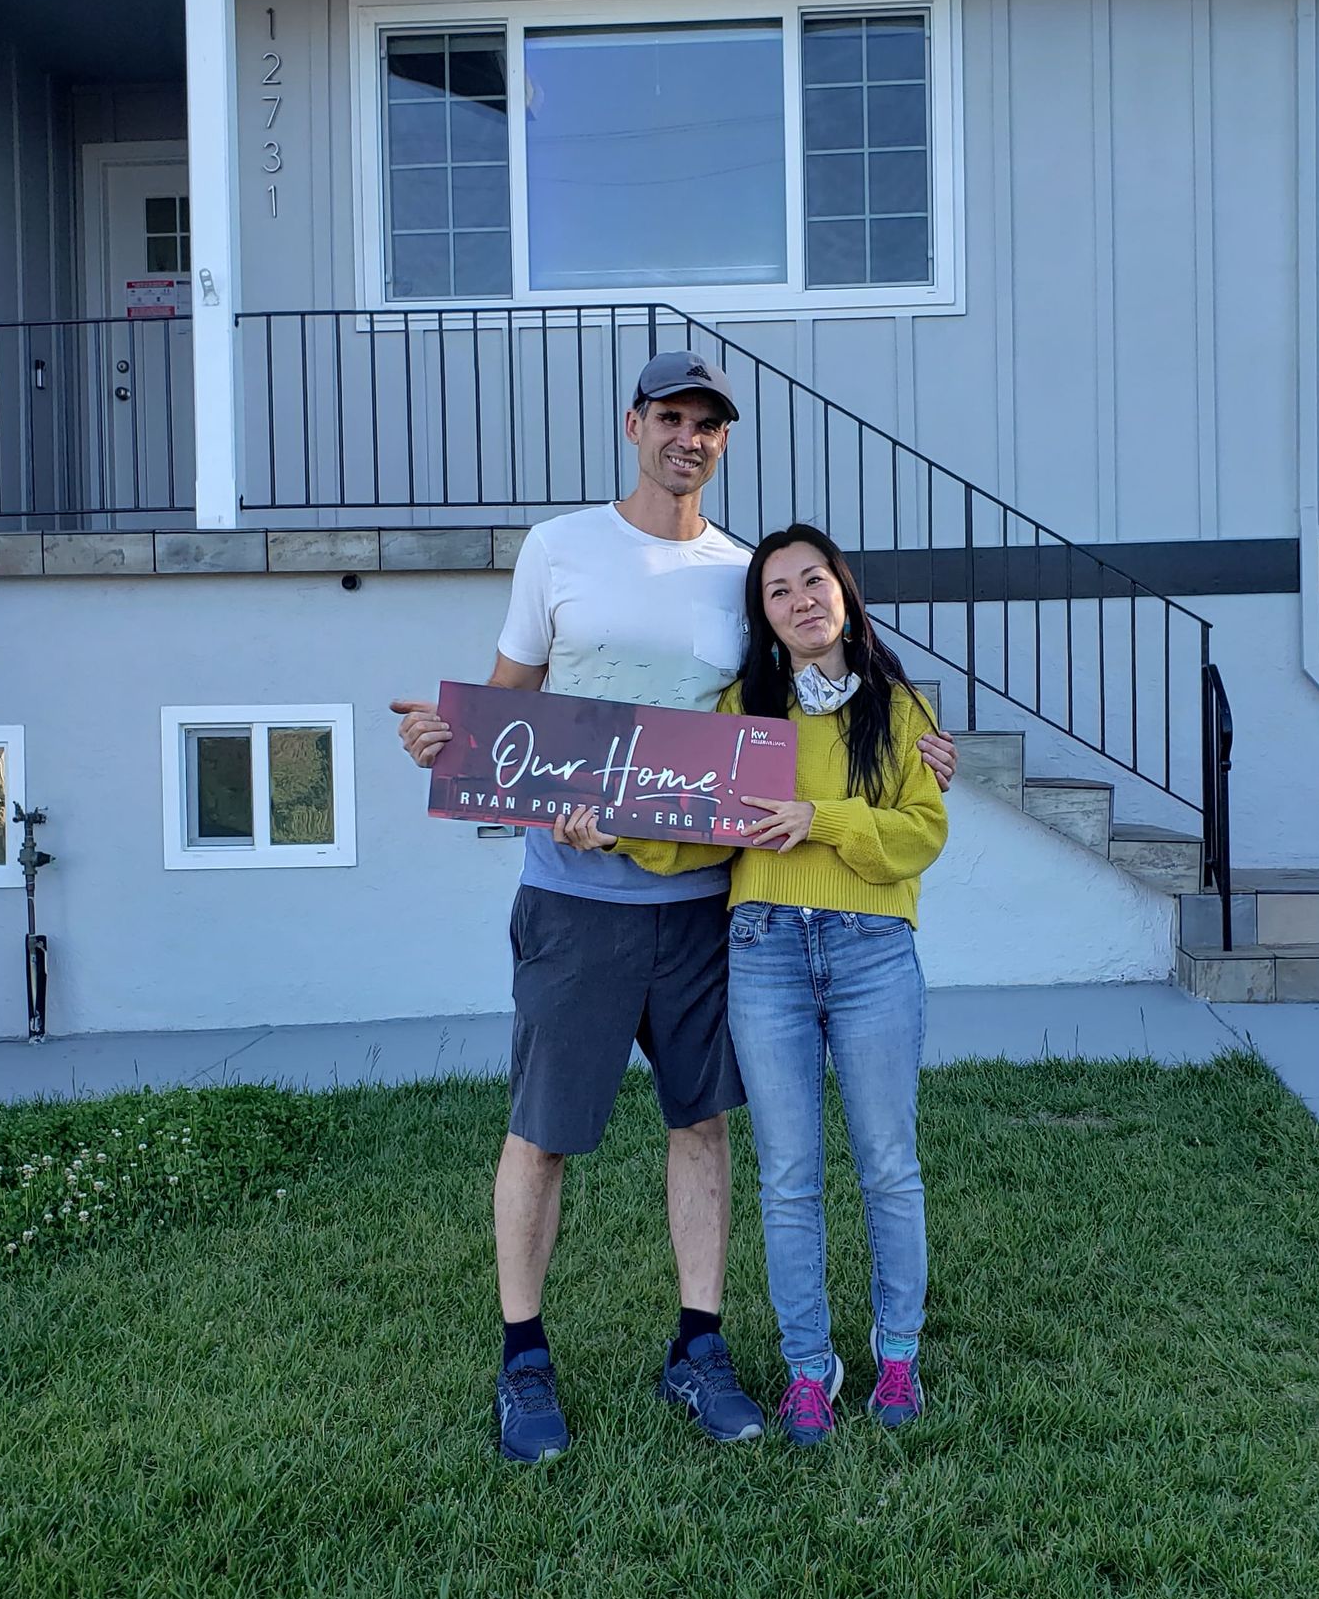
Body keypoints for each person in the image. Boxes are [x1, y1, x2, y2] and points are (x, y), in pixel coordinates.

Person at [391, 359, 957, 1465]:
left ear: (723, 442)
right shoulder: (560, 548)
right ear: (634, 426)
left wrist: (919, 740)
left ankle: (698, 1347)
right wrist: (446, 744)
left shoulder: (745, 574)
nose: (688, 437)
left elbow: (790, 712)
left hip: (711, 905)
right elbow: (511, 701)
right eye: (670, 418)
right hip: (576, 896)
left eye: (708, 424)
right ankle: (524, 1360)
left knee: (703, 1125)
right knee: (544, 1131)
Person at [561, 524, 948, 1449]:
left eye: (815, 580)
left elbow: (920, 834)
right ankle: (811, 1369)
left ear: (845, 593)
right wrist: (616, 832)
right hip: (764, 951)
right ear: (764, 619)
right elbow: (701, 831)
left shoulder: (898, 712)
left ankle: (898, 1353)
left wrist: (822, 817)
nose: (801, 599)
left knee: (889, 1166)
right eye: (779, 591)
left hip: (871, 949)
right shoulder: (745, 711)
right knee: (788, 1177)